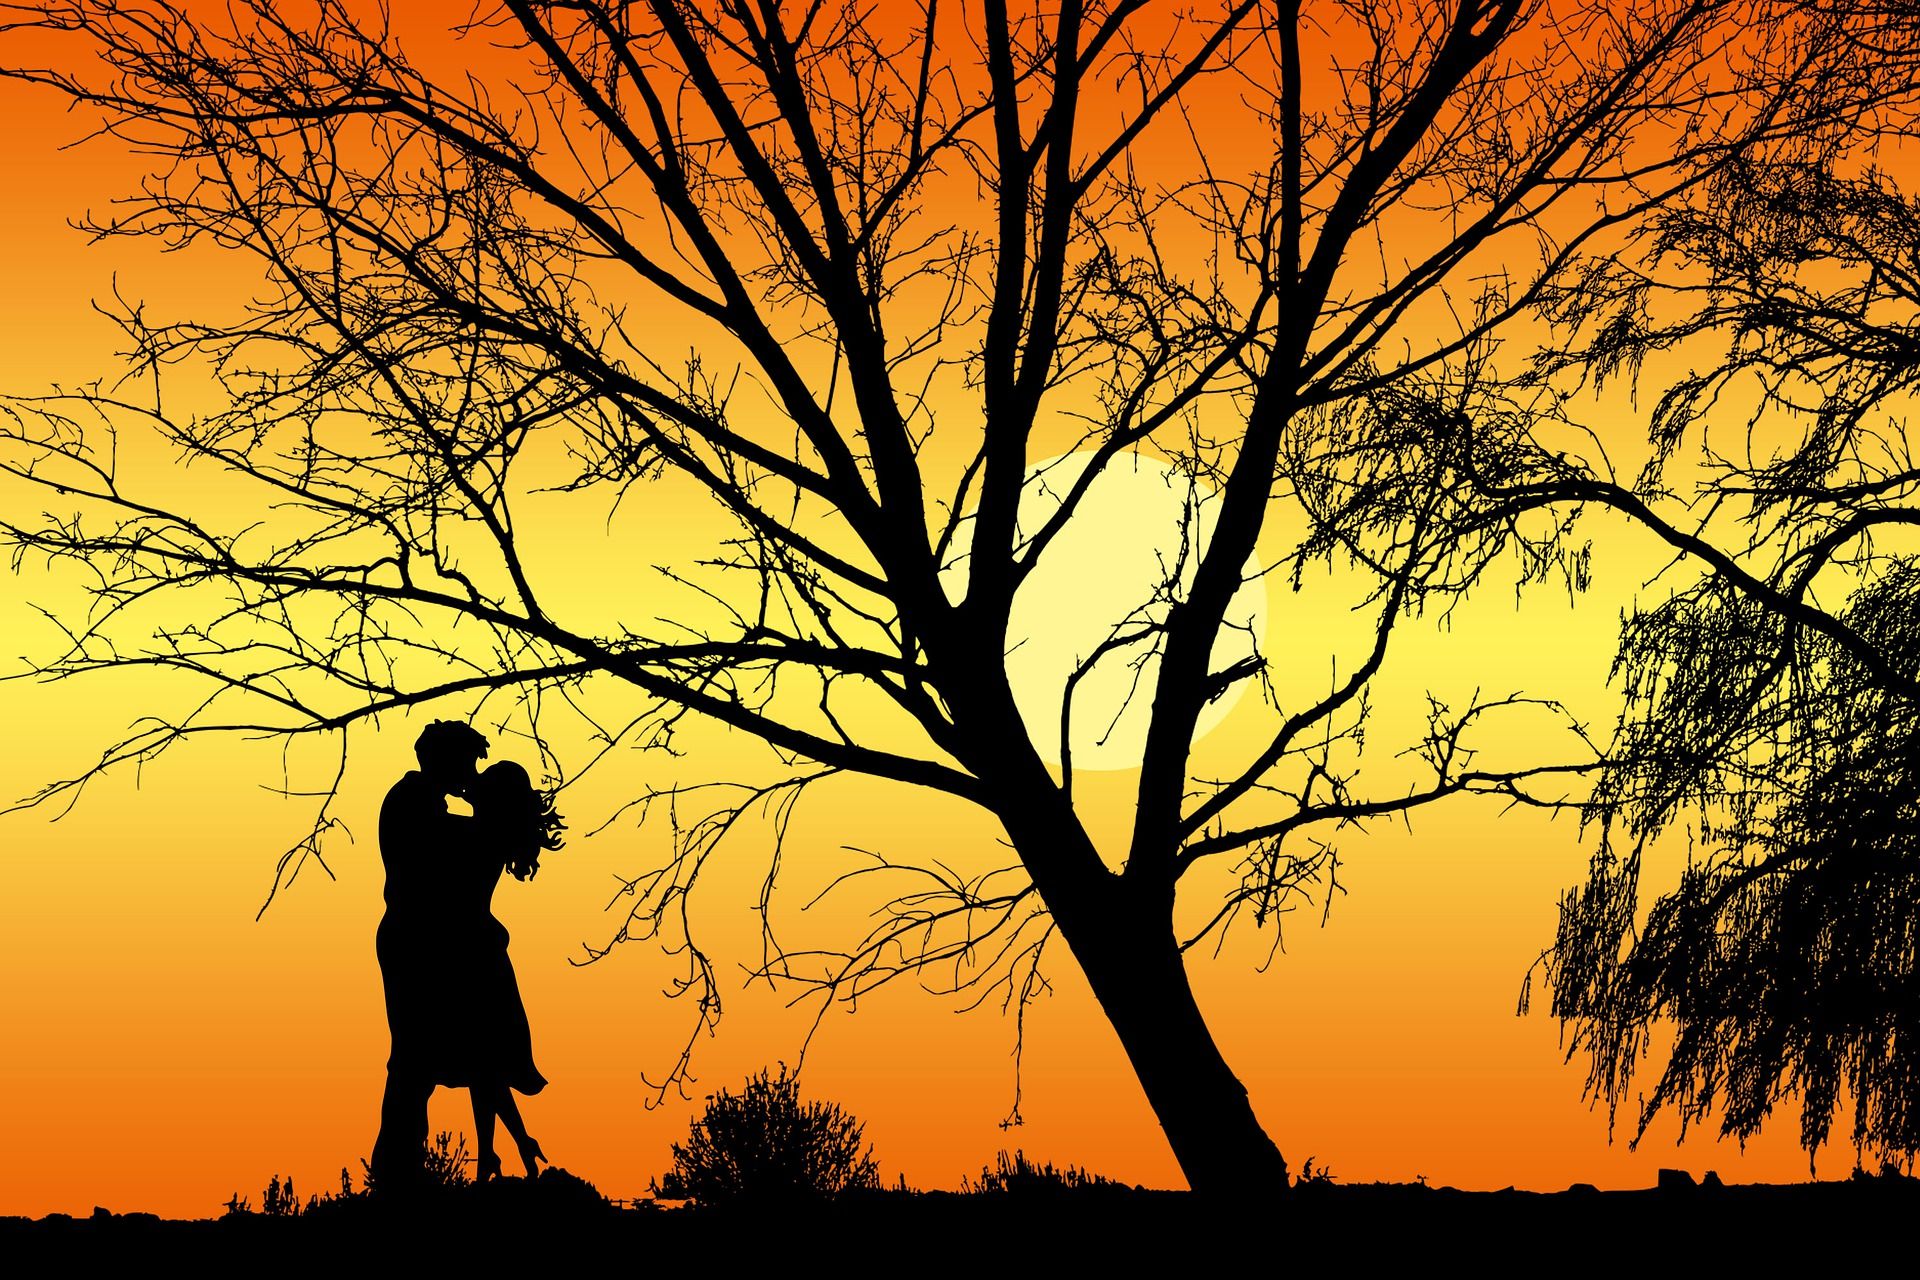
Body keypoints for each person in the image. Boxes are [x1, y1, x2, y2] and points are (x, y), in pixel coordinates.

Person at [368, 719, 488, 1191]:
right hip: (411, 940)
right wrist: (488, 815)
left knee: (417, 1060)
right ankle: (396, 1172)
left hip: (417, 939)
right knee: (413, 1059)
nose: (471, 774)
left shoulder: (422, 801)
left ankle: (399, 1169)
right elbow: (452, 845)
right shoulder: (413, 802)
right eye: (467, 764)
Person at [454, 759, 565, 1180]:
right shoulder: (489, 834)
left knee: (481, 1060)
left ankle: (496, 1151)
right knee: (482, 1061)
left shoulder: (478, 835)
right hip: (480, 951)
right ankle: (502, 1148)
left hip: (473, 954)